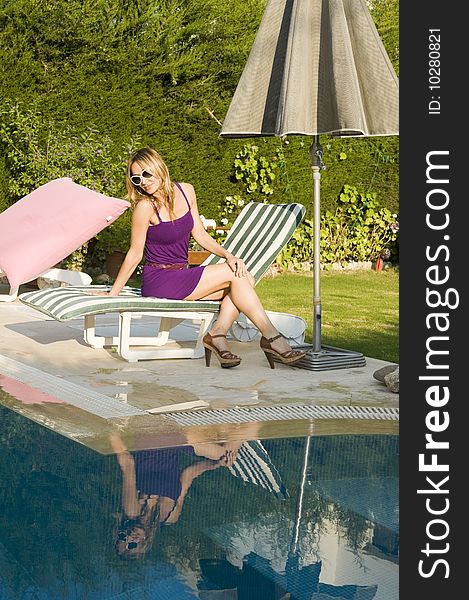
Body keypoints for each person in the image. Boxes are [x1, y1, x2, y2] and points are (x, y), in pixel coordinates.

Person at [92, 147, 305, 369]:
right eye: (136, 178)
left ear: (158, 167)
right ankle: (272, 337)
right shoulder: (145, 208)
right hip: (160, 279)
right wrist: (113, 292)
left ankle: (217, 335)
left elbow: (200, 234)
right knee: (239, 278)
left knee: (244, 281)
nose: (142, 182)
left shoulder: (186, 191)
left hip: (182, 274)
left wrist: (228, 255)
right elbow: (135, 252)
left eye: (146, 174)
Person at [110, 432, 244, 560]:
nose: (129, 538)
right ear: (145, 544)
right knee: (225, 455)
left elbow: (128, 464)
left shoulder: (132, 509)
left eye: (122, 538)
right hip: (177, 444)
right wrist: (216, 464)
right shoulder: (170, 516)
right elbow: (188, 474)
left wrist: (110, 434)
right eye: (132, 545)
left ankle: (248, 420)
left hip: (152, 443)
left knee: (221, 452)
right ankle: (247, 420)